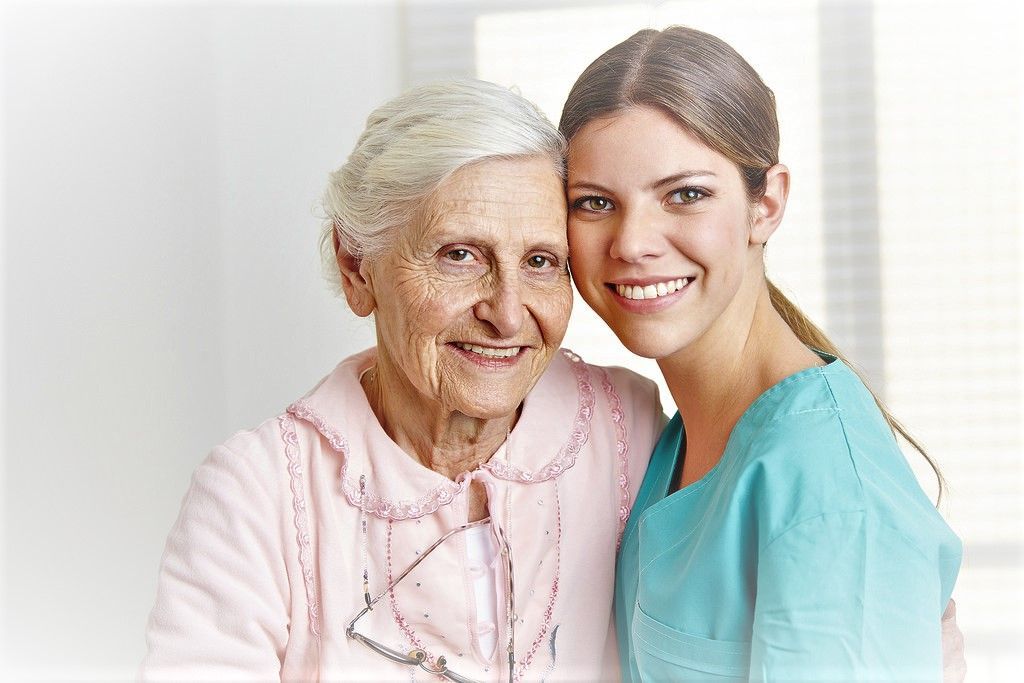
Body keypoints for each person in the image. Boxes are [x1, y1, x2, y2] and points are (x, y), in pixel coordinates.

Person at [140, 79, 663, 681]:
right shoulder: (259, 492)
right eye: (459, 255)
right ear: (357, 267)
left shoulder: (629, 428)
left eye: (541, 262)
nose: (509, 313)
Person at [559, 26, 963, 681]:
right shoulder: (671, 439)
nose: (632, 242)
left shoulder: (831, 496)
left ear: (765, 203)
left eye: (684, 194)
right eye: (595, 202)